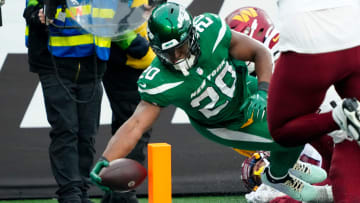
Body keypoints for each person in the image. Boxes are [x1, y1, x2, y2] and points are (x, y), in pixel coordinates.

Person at [90, 2, 327, 201]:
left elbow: (260, 52)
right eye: (168, 52)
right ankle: (278, 176)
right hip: (225, 122)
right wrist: (106, 158)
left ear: (192, 34)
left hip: (246, 91)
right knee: (293, 132)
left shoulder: (210, 30)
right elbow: (135, 124)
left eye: (180, 48)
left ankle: (285, 164)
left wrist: (263, 93)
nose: (176, 57)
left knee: (304, 108)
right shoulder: (159, 80)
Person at [266, 1, 360, 202]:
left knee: (283, 130)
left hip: (308, 33)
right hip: (355, 23)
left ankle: (339, 116)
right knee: (351, 130)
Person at [35, 1, 111, 202]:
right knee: (65, 130)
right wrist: (38, 13)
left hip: (93, 63)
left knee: (87, 133)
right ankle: (70, 194)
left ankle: (82, 190)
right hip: (54, 62)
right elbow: (33, 7)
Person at [100, 1, 166, 202]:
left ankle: (115, 194)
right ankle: (123, 193)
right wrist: (142, 49)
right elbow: (112, 18)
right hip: (128, 63)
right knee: (134, 128)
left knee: (129, 126)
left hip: (138, 62)